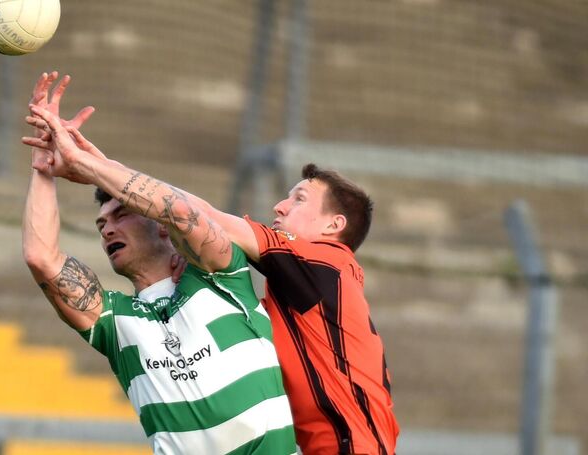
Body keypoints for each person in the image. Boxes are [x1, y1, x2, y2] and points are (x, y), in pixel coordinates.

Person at [24, 71, 399, 455]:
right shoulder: (280, 301)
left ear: (334, 224)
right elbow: (41, 257)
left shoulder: (313, 263)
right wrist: (44, 167)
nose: (280, 205)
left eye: (299, 199)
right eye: (101, 223)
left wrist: (85, 162)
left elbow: (188, 212)